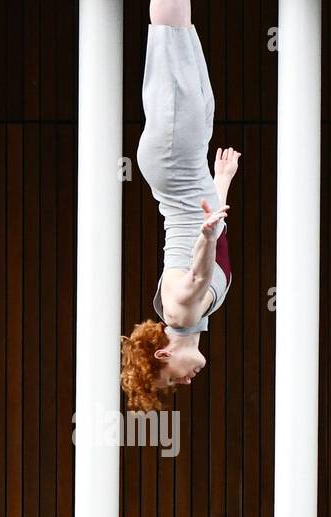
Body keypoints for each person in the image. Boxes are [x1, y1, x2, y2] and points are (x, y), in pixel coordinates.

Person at [122, 0, 241, 411]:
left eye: (172, 381)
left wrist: (206, 239)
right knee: (183, 38)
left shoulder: (180, 310)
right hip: (187, 170)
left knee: (168, 35)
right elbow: (207, 229)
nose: (187, 382)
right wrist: (221, 183)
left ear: (163, 355)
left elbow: (197, 271)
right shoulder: (196, 318)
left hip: (174, 162)